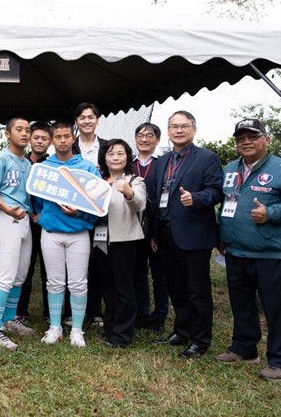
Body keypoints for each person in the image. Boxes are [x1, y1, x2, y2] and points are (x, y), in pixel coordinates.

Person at [215, 118, 281, 380]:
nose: (246, 142)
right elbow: (225, 203)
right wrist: (221, 234)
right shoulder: (231, 168)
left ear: (266, 139)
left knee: (275, 308)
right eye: (241, 138)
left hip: (268, 253)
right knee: (241, 304)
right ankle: (244, 348)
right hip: (235, 251)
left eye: (253, 137)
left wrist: (270, 213)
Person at [148, 111, 223, 359]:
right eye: (174, 126)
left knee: (197, 290)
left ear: (194, 129)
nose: (178, 130)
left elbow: (216, 191)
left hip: (194, 234)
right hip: (166, 232)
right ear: (168, 131)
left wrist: (196, 198)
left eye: (184, 126)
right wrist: (154, 232)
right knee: (176, 287)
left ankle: (200, 340)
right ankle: (182, 331)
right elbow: (155, 198)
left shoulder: (207, 158)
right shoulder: (162, 161)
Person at [36, 121, 100, 348]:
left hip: (78, 233)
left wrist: (78, 213)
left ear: (73, 138)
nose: (62, 140)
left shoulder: (87, 167)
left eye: (66, 136)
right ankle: (55, 328)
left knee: (78, 282)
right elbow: (36, 201)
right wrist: (42, 218)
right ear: (51, 141)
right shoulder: (44, 168)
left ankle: (77, 330)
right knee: (53, 282)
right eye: (58, 137)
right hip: (51, 232)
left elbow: (97, 203)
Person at [0, 117, 36, 350]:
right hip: (6, 219)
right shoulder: (0, 158)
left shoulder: (28, 163)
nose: (24, 134)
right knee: (5, 276)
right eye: (19, 129)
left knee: (19, 276)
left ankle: (10, 320)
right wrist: (6, 209)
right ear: (7, 134)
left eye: (27, 130)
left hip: (24, 220)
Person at [95, 139, 146, 347]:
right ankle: (110, 328)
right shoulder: (98, 181)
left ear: (127, 158)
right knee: (107, 287)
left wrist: (128, 192)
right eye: (110, 154)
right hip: (100, 240)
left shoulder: (135, 180)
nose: (115, 158)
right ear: (104, 158)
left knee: (123, 287)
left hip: (124, 241)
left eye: (120, 154)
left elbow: (139, 204)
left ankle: (122, 335)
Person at [72, 102, 108, 328]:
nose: (87, 121)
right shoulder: (69, 146)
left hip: (99, 212)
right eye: (82, 117)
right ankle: (70, 311)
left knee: (97, 262)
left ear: (97, 120)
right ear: (76, 122)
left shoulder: (107, 147)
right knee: (73, 262)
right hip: (73, 211)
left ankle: (94, 311)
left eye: (90, 117)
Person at [132, 123, 168, 333]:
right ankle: (141, 313)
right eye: (140, 135)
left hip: (157, 226)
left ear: (157, 140)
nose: (144, 139)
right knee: (138, 271)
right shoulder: (128, 163)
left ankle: (160, 315)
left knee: (160, 274)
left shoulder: (164, 164)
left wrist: (155, 232)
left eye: (149, 135)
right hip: (133, 226)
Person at [16, 121, 52, 326]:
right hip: (27, 222)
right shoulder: (21, 163)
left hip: (48, 224)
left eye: (44, 138)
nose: (39, 141)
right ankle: (20, 312)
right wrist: (31, 214)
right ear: (30, 139)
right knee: (25, 268)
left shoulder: (54, 165)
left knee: (50, 269)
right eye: (36, 137)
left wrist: (44, 215)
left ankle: (50, 312)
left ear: (50, 142)